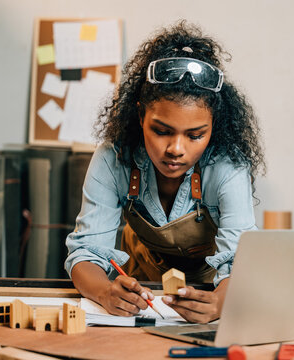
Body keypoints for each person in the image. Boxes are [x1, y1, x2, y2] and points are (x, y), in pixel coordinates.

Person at [65, 21, 265, 324]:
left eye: (195, 135)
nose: (176, 149)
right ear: (140, 115)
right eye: (161, 131)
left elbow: (241, 262)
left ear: (214, 127)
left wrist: (219, 305)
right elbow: (86, 253)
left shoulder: (227, 166)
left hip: (215, 289)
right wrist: (106, 292)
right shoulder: (114, 158)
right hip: (143, 287)